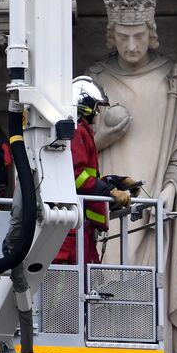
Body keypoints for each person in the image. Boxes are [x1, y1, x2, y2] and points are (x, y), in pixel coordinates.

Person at [85, 0, 177, 353]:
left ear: (152, 35)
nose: (132, 45)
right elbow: (78, 148)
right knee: (111, 300)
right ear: (112, 36)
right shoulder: (95, 80)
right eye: (124, 36)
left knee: (154, 299)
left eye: (139, 36)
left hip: (155, 210)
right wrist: (106, 134)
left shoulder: (172, 77)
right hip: (113, 211)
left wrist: (172, 186)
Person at [55, 76, 137, 267]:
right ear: (86, 105)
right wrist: (109, 191)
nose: (98, 113)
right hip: (74, 228)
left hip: (81, 227)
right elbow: (76, 178)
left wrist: (117, 181)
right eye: (96, 107)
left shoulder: (79, 132)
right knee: (75, 287)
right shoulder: (76, 132)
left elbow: (87, 177)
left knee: (89, 281)